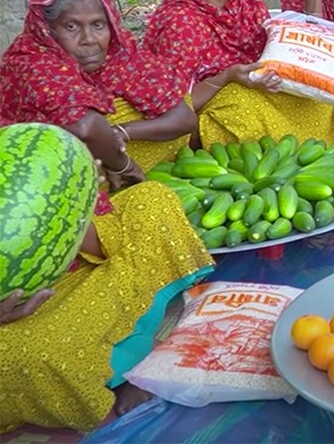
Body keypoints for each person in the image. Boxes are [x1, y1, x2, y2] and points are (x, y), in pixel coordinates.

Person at [0, 122, 215, 432]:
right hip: (17, 317)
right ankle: (115, 373)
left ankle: (126, 351)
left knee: (151, 201)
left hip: (61, 265)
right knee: (32, 357)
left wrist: (72, 209)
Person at [143, 0, 334, 147]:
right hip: (216, 111)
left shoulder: (246, 6)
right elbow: (172, 106)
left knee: (318, 103)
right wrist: (227, 77)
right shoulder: (180, 21)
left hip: (256, 94)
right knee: (241, 111)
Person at [0, 0, 196, 180]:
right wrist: (124, 166)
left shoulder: (120, 56)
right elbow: (85, 127)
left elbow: (185, 118)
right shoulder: (32, 63)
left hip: (118, 165)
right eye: (71, 27)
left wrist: (120, 132)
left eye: (98, 25)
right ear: (47, 30)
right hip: (41, 179)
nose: (89, 40)